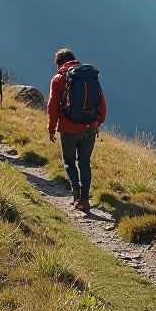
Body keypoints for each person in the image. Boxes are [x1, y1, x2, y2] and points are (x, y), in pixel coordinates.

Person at [47, 49, 106, 213]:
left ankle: (76, 193)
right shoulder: (90, 76)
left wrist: (52, 128)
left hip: (68, 128)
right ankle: (85, 200)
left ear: (59, 63)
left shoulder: (59, 79)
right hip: (90, 127)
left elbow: (52, 107)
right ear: (74, 59)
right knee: (85, 163)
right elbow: (101, 102)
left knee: (69, 162)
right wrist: (97, 123)